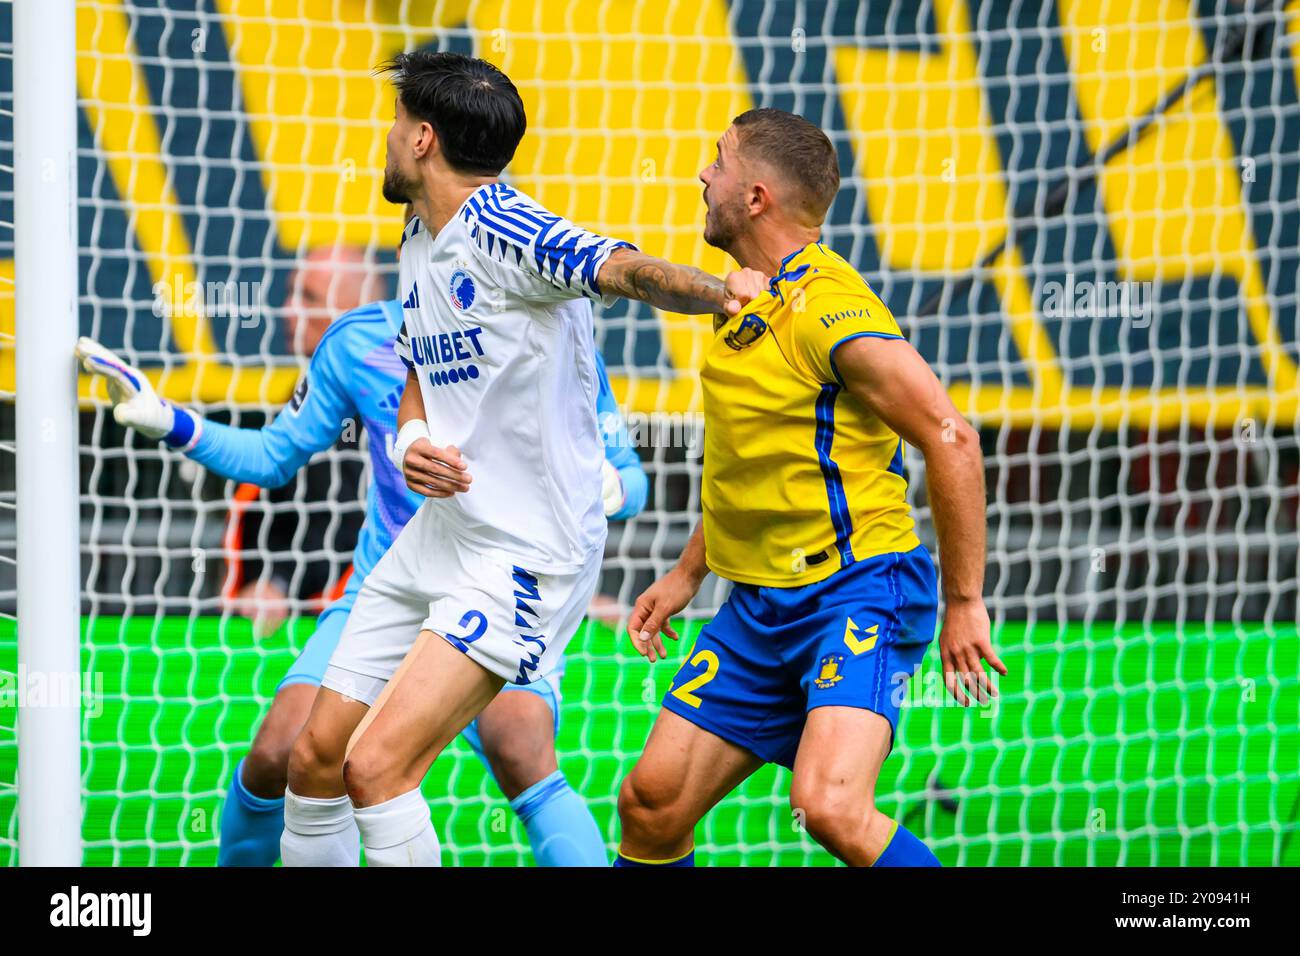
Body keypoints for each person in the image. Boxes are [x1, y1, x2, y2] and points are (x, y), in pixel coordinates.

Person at [75, 229, 648, 868]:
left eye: (309, 294)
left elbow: (632, 477)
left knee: (520, 749)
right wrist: (169, 420)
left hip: (498, 584)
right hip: (388, 586)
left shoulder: (546, 329)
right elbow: (271, 456)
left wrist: (592, 484)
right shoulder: (354, 344)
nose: (292, 308)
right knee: (276, 755)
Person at [279, 50, 727, 867]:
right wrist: (413, 442)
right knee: (313, 762)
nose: (383, 138)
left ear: (420, 139)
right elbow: (419, 369)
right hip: (443, 533)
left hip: (523, 554)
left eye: (394, 123)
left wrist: (723, 293)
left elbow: (622, 267)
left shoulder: (504, 227)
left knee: (377, 768)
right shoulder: (420, 235)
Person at [615, 108, 1006, 867]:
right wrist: (690, 572)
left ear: (756, 197)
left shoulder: (829, 307)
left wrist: (965, 602)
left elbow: (952, 436)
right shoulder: (748, 302)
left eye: (718, 162)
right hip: (761, 603)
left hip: (858, 588)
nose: (703, 175)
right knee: (651, 805)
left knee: (829, 806)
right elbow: (755, 461)